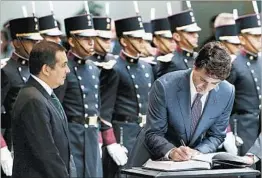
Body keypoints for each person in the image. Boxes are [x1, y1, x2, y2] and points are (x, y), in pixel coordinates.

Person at [127, 41, 234, 167]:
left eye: (214, 84)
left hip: (191, 162)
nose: (206, 88)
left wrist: (198, 152)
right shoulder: (164, 86)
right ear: (194, 66)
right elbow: (153, 133)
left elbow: (216, 135)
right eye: (203, 80)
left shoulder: (227, 91)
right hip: (153, 159)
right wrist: (171, 151)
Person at [100, 16, 154, 178]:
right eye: (136, 38)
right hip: (123, 132)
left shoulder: (146, 67)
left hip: (144, 132)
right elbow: (104, 110)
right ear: (124, 41)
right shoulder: (115, 68)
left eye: (141, 38)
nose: (141, 42)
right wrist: (111, 142)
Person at [12, 40, 76, 178]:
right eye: (63, 65)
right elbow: (46, 153)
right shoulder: (33, 100)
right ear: (46, 69)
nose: (68, 70)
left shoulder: (43, 94)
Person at [54, 14, 104, 178]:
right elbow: (57, 107)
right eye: (85, 38)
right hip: (73, 134)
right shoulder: (64, 68)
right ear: (72, 40)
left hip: (92, 133)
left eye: (92, 38)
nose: (91, 42)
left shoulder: (93, 68)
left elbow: (98, 105)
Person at [1, 16, 42, 161]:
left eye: (38, 41)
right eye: (32, 41)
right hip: (17, 143)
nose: (37, 45)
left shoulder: (39, 68)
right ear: (17, 43)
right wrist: (2, 147)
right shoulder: (6, 71)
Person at [227, 13, 261, 157]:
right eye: (255, 36)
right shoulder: (234, 65)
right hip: (243, 127)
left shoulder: (260, 61)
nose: (260, 39)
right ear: (242, 38)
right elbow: (221, 103)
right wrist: (227, 133)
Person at [213, 13, 243, 155]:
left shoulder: (240, 63)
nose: (239, 47)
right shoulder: (225, 66)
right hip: (226, 127)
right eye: (234, 44)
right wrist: (226, 131)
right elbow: (217, 101)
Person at [157, 9, 201, 77]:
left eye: (196, 32)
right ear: (177, 36)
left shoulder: (199, 57)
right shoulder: (171, 62)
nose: (196, 36)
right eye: (190, 33)